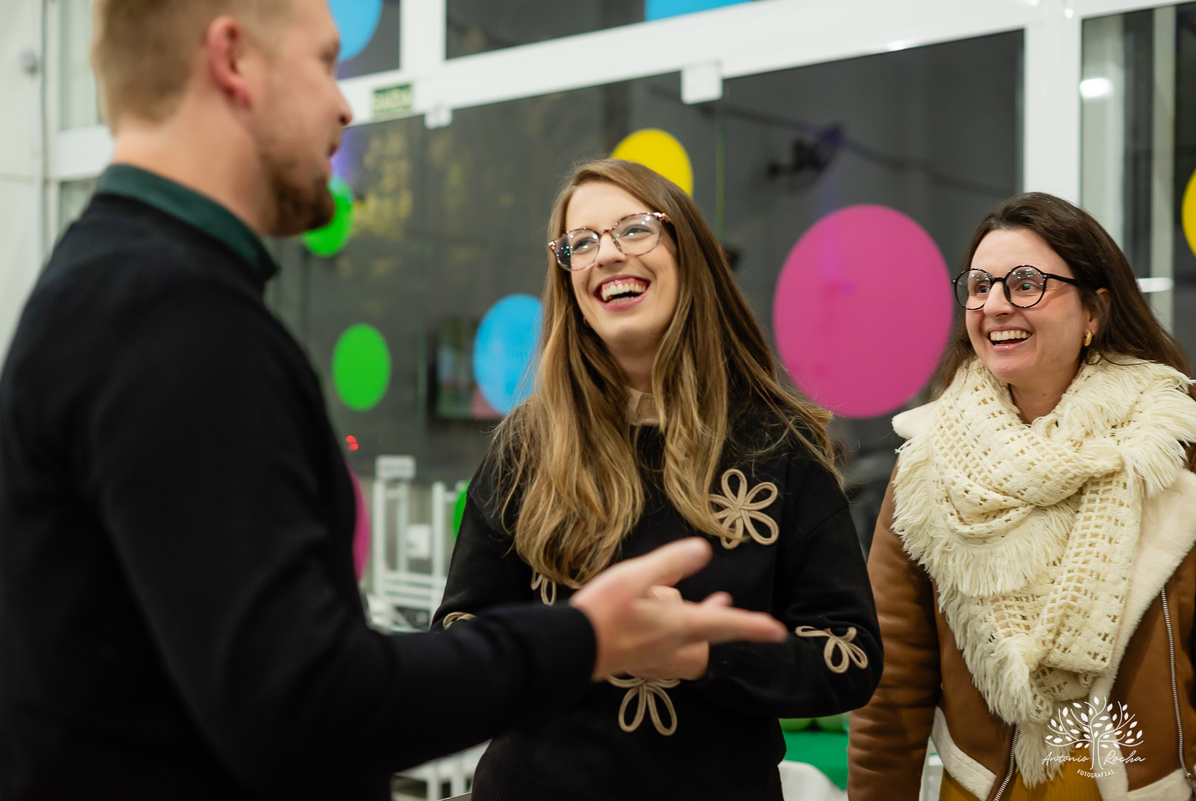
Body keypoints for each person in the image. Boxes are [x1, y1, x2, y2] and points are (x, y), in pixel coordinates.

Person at [0, 3, 789, 799]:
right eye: (325, 62)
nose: (344, 106)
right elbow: (307, 703)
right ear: (233, 59)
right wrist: (585, 636)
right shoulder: (173, 318)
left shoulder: (114, 289)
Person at [432, 158, 883, 801]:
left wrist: (701, 655)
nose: (607, 254)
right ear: (569, 284)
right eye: (581, 243)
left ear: (687, 254)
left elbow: (850, 657)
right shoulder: (528, 445)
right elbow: (458, 633)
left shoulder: (781, 446)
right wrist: (575, 640)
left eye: (634, 229)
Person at [847, 192, 1196, 801]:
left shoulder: (1173, 449)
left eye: (1027, 284)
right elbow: (892, 687)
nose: (994, 305)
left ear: (1094, 311)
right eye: (980, 286)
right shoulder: (929, 466)